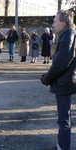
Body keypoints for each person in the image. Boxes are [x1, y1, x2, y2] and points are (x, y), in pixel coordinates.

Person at [41, 10, 76, 150]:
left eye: (55, 21)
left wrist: (46, 78)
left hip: (65, 82)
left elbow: (60, 64)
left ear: (62, 23)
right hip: (66, 81)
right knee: (64, 118)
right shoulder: (68, 34)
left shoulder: (68, 36)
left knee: (64, 119)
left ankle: (63, 147)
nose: (53, 24)